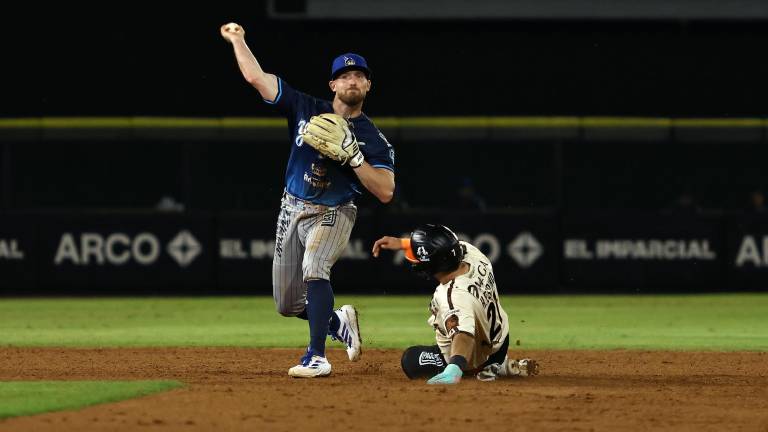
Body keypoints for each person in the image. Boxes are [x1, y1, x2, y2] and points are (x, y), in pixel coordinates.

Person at [221, 22, 396, 378]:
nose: (352, 80)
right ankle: (338, 321)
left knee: (316, 268)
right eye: (344, 75)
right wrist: (238, 40)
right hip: (292, 207)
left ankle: (316, 356)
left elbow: (386, 190)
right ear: (333, 84)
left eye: (359, 75)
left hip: (334, 211)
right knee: (286, 304)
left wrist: (355, 159)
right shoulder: (305, 107)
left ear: (368, 86)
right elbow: (258, 79)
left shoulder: (372, 138)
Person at [372, 224, 538, 384]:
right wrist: (403, 243)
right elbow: (444, 246)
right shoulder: (473, 254)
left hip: (475, 356)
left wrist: (455, 367)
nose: (413, 259)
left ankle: (487, 369)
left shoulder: (453, 296)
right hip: (500, 343)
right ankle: (499, 362)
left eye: (416, 256)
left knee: (410, 360)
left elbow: (463, 335)